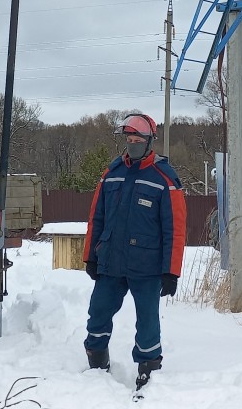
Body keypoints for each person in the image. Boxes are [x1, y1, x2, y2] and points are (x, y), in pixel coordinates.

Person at [82, 113, 187, 391]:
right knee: (98, 313)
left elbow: (175, 229)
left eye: (138, 139)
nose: (133, 144)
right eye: (129, 139)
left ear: (149, 140)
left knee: (147, 320)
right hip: (112, 263)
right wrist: (90, 255)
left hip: (147, 266)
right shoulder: (111, 173)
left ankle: (148, 368)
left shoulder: (165, 178)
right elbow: (97, 218)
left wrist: (171, 271)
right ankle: (96, 361)